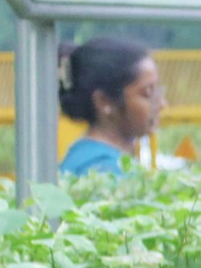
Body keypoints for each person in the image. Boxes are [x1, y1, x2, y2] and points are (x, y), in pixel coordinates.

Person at [57, 37, 164, 181]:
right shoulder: (106, 172)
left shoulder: (84, 158)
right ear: (104, 101)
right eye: (147, 93)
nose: (162, 104)